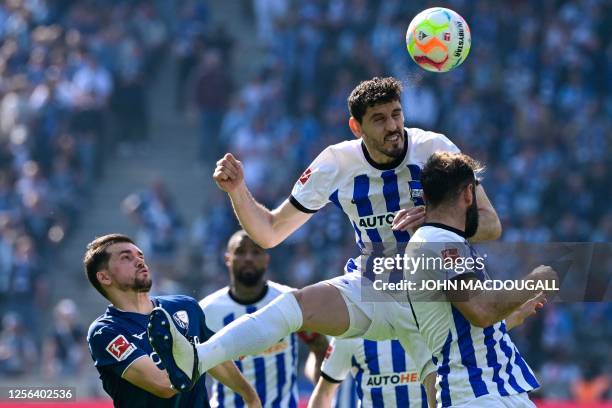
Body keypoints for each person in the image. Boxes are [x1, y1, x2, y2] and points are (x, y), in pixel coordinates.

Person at [147, 76, 502, 400]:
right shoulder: (336, 163)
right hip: (373, 287)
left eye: (396, 114)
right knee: (297, 305)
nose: (393, 127)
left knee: (445, 396)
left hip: (434, 295)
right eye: (379, 119)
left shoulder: (434, 149)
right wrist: (238, 190)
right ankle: (194, 359)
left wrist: (436, 220)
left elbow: (490, 225)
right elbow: (270, 232)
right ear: (356, 126)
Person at [405, 151, 558, 407]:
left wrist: (511, 315)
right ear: (468, 193)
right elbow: (482, 310)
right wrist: (535, 280)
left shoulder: (444, 241)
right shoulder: (436, 242)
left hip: (496, 390)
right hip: (474, 394)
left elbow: (465, 330)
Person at [84, 234, 261, 408]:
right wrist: (215, 348)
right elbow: (164, 386)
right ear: (104, 277)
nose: (139, 261)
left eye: (140, 256)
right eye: (126, 258)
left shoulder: (185, 306)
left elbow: (217, 360)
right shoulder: (105, 332)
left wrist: (250, 396)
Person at [308, 300, 545, 408]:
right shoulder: (354, 336)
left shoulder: (429, 329)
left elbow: (471, 337)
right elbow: (324, 391)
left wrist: (514, 317)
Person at [200, 230, 328, 407]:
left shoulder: (290, 300)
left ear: (266, 259)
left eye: (256, 252)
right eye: (240, 251)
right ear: (227, 259)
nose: (248, 258)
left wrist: (322, 394)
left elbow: (321, 347)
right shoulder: (206, 311)